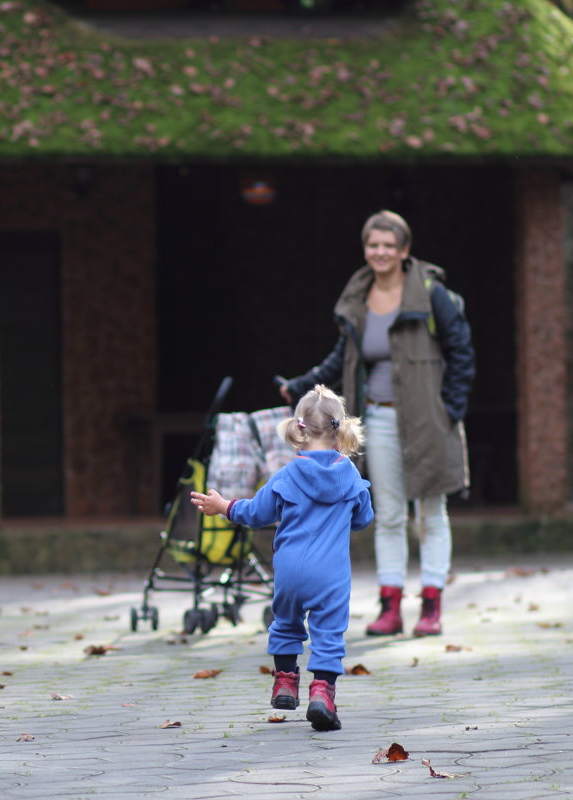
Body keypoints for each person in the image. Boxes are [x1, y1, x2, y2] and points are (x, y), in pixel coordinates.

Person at [278, 210, 474, 637]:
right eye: (373, 245)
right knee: (388, 514)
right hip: (378, 417)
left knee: (431, 511)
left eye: (389, 245)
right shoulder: (358, 296)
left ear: (404, 251)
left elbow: (462, 353)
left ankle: (431, 607)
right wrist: (300, 387)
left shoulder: (430, 294)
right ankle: (390, 607)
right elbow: (342, 359)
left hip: (428, 419)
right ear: (366, 249)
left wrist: (450, 410)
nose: (380, 252)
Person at [191, 385, 373, 732]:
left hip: (288, 572)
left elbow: (256, 513)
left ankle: (285, 682)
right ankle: (322, 694)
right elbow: (363, 519)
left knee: (286, 623)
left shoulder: (286, 475)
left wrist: (223, 506)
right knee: (328, 633)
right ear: (341, 432)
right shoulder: (349, 475)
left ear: (298, 431)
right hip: (331, 576)